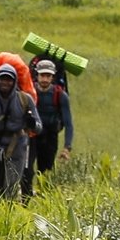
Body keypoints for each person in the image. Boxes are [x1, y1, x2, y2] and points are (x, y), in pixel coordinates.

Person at [0, 65, 40, 201]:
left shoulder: (25, 100)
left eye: (9, 80)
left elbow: (38, 127)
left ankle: (9, 213)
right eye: (2, 79)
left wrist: (32, 123)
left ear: (15, 81)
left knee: (11, 186)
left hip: (17, 147)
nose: (5, 83)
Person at [28, 59, 73, 195]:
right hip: (32, 137)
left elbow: (68, 123)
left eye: (48, 76)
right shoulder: (30, 92)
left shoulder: (60, 96)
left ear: (53, 77)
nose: (45, 79)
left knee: (46, 170)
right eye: (42, 75)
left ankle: (44, 197)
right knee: (27, 168)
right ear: (37, 75)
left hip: (50, 138)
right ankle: (26, 196)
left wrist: (67, 147)